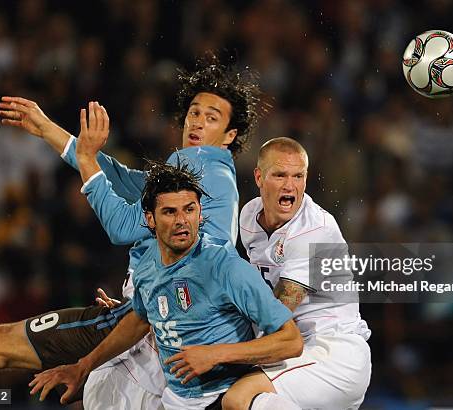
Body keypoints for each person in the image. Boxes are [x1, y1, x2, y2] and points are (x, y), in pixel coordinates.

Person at [0, 60, 260, 409]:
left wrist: (85, 158)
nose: (198, 121)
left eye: (212, 117)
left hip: (157, 333)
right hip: (150, 320)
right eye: (194, 111)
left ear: (230, 136)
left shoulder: (206, 169)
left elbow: (122, 226)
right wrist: (50, 130)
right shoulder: (196, 175)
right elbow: (121, 178)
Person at [28, 159, 304, 410]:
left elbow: (290, 341)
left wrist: (216, 354)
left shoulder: (224, 267)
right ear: (150, 219)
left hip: (226, 396)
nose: (182, 221)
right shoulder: (147, 264)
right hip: (177, 400)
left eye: (190, 209)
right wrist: (83, 366)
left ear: (200, 212)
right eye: (170, 212)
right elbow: (139, 319)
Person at [223, 137, 372, 410]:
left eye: (298, 176)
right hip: (297, 351)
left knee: (237, 398)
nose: (289, 186)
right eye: (279, 175)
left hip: (332, 353)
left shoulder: (314, 229)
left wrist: (218, 349)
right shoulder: (248, 216)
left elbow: (278, 313)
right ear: (259, 177)